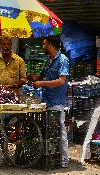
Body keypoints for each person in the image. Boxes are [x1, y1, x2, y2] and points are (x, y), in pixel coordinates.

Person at [29, 36, 69, 168]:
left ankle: (63, 159)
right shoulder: (48, 61)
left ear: (50, 45)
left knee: (59, 130)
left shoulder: (63, 60)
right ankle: (50, 157)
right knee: (49, 132)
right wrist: (31, 77)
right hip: (46, 101)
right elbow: (40, 77)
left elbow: (61, 81)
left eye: (44, 44)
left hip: (57, 102)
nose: (42, 46)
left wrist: (41, 83)